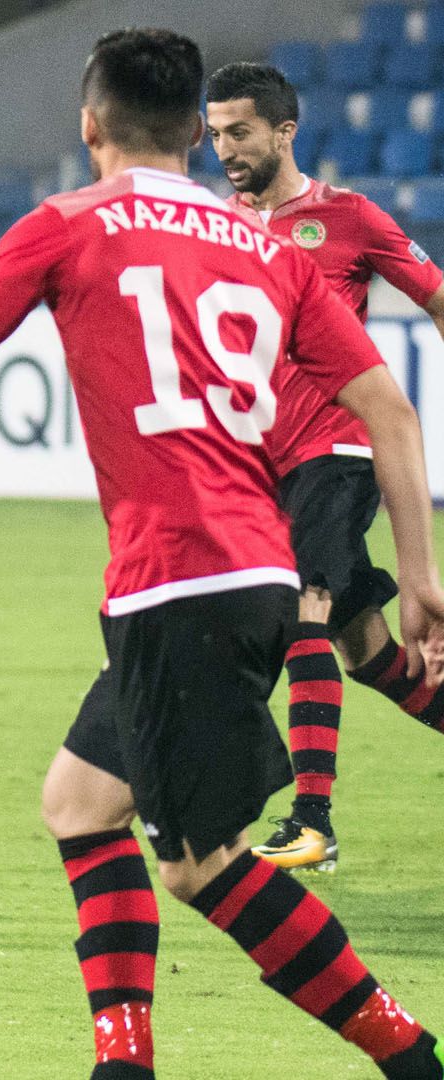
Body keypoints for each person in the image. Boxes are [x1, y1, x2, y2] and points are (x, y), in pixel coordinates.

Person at [0, 29, 444, 1079]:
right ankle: (122, 1058)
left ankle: (407, 1050)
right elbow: (390, 409)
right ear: (191, 133)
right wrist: (424, 577)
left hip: (182, 579)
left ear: (91, 127)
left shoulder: (67, 225)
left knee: (200, 867)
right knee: (79, 803)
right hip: (250, 565)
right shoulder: (266, 246)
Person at [205, 60, 444, 873]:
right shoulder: (216, 228)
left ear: (285, 131)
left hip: (339, 451)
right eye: (215, 135)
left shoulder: (348, 218)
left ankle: (311, 818)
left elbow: (438, 297)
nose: (226, 148)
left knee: (301, 601)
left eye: (240, 132)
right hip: (261, 464)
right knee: (369, 650)